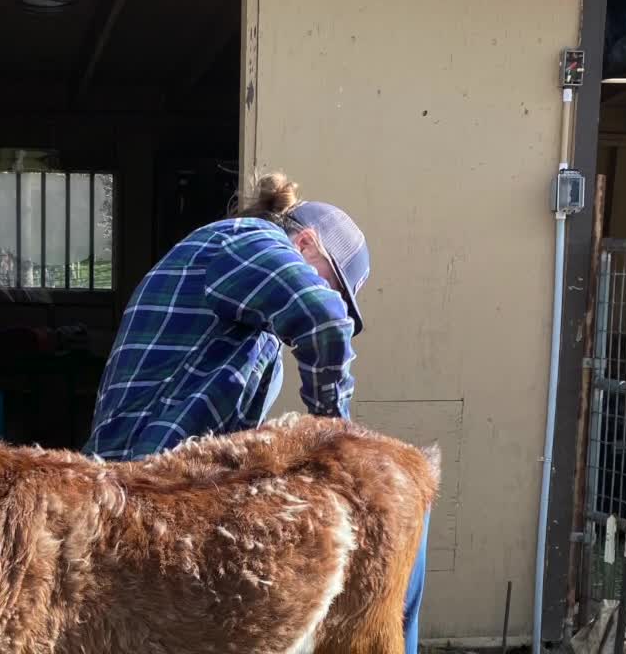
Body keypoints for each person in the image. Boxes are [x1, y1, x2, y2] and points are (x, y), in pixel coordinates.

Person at [83, 172, 428, 654]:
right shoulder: (247, 241)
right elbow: (325, 319)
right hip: (148, 486)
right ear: (305, 243)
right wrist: (340, 445)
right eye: (330, 279)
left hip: (143, 483)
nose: (329, 295)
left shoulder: (226, 268)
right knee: (386, 503)